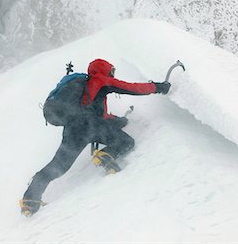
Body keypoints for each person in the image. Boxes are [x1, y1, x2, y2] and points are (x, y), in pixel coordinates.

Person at [20, 58, 171, 216]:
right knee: (126, 142)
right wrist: (157, 87)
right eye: (111, 71)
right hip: (90, 125)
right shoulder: (100, 80)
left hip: (73, 129)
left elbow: (99, 114)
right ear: (104, 70)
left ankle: (30, 199)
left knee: (59, 165)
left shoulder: (86, 89)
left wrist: (118, 121)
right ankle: (107, 155)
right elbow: (130, 87)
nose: (112, 75)